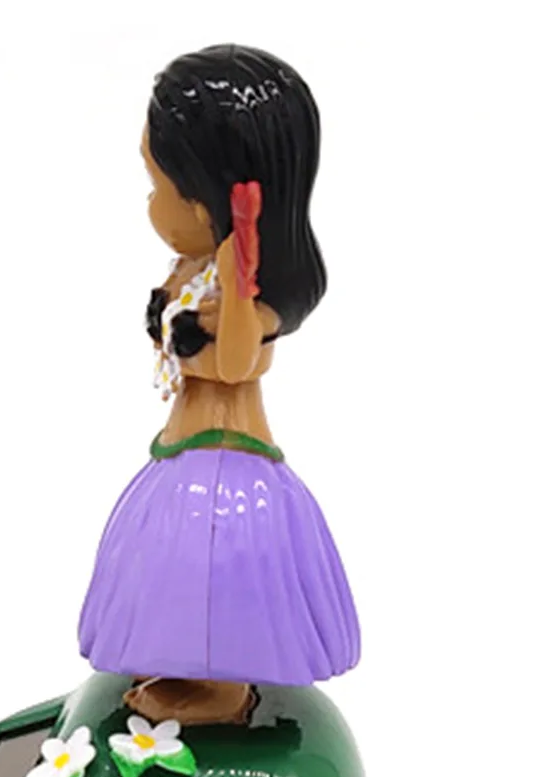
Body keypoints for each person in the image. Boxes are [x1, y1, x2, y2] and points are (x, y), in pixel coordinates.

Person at [78, 44, 360, 725]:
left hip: (229, 458)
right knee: (172, 566)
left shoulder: (244, 297)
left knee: (214, 568)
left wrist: (239, 268)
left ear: (206, 203)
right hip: (180, 448)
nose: (150, 203)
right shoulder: (186, 272)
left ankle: (218, 687)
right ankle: (173, 658)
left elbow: (233, 363)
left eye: (157, 188)